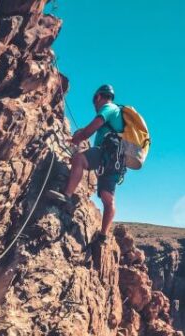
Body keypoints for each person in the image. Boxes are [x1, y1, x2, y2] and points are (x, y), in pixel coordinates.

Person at [49, 84, 126, 247]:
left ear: (98, 97)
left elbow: (92, 128)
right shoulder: (117, 113)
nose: (95, 106)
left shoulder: (108, 108)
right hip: (117, 160)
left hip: (106, 152)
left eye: (95, 101)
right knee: (108, 198)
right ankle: (103, 236)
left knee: (79, 159)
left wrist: (77, 138)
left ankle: (67, 196)